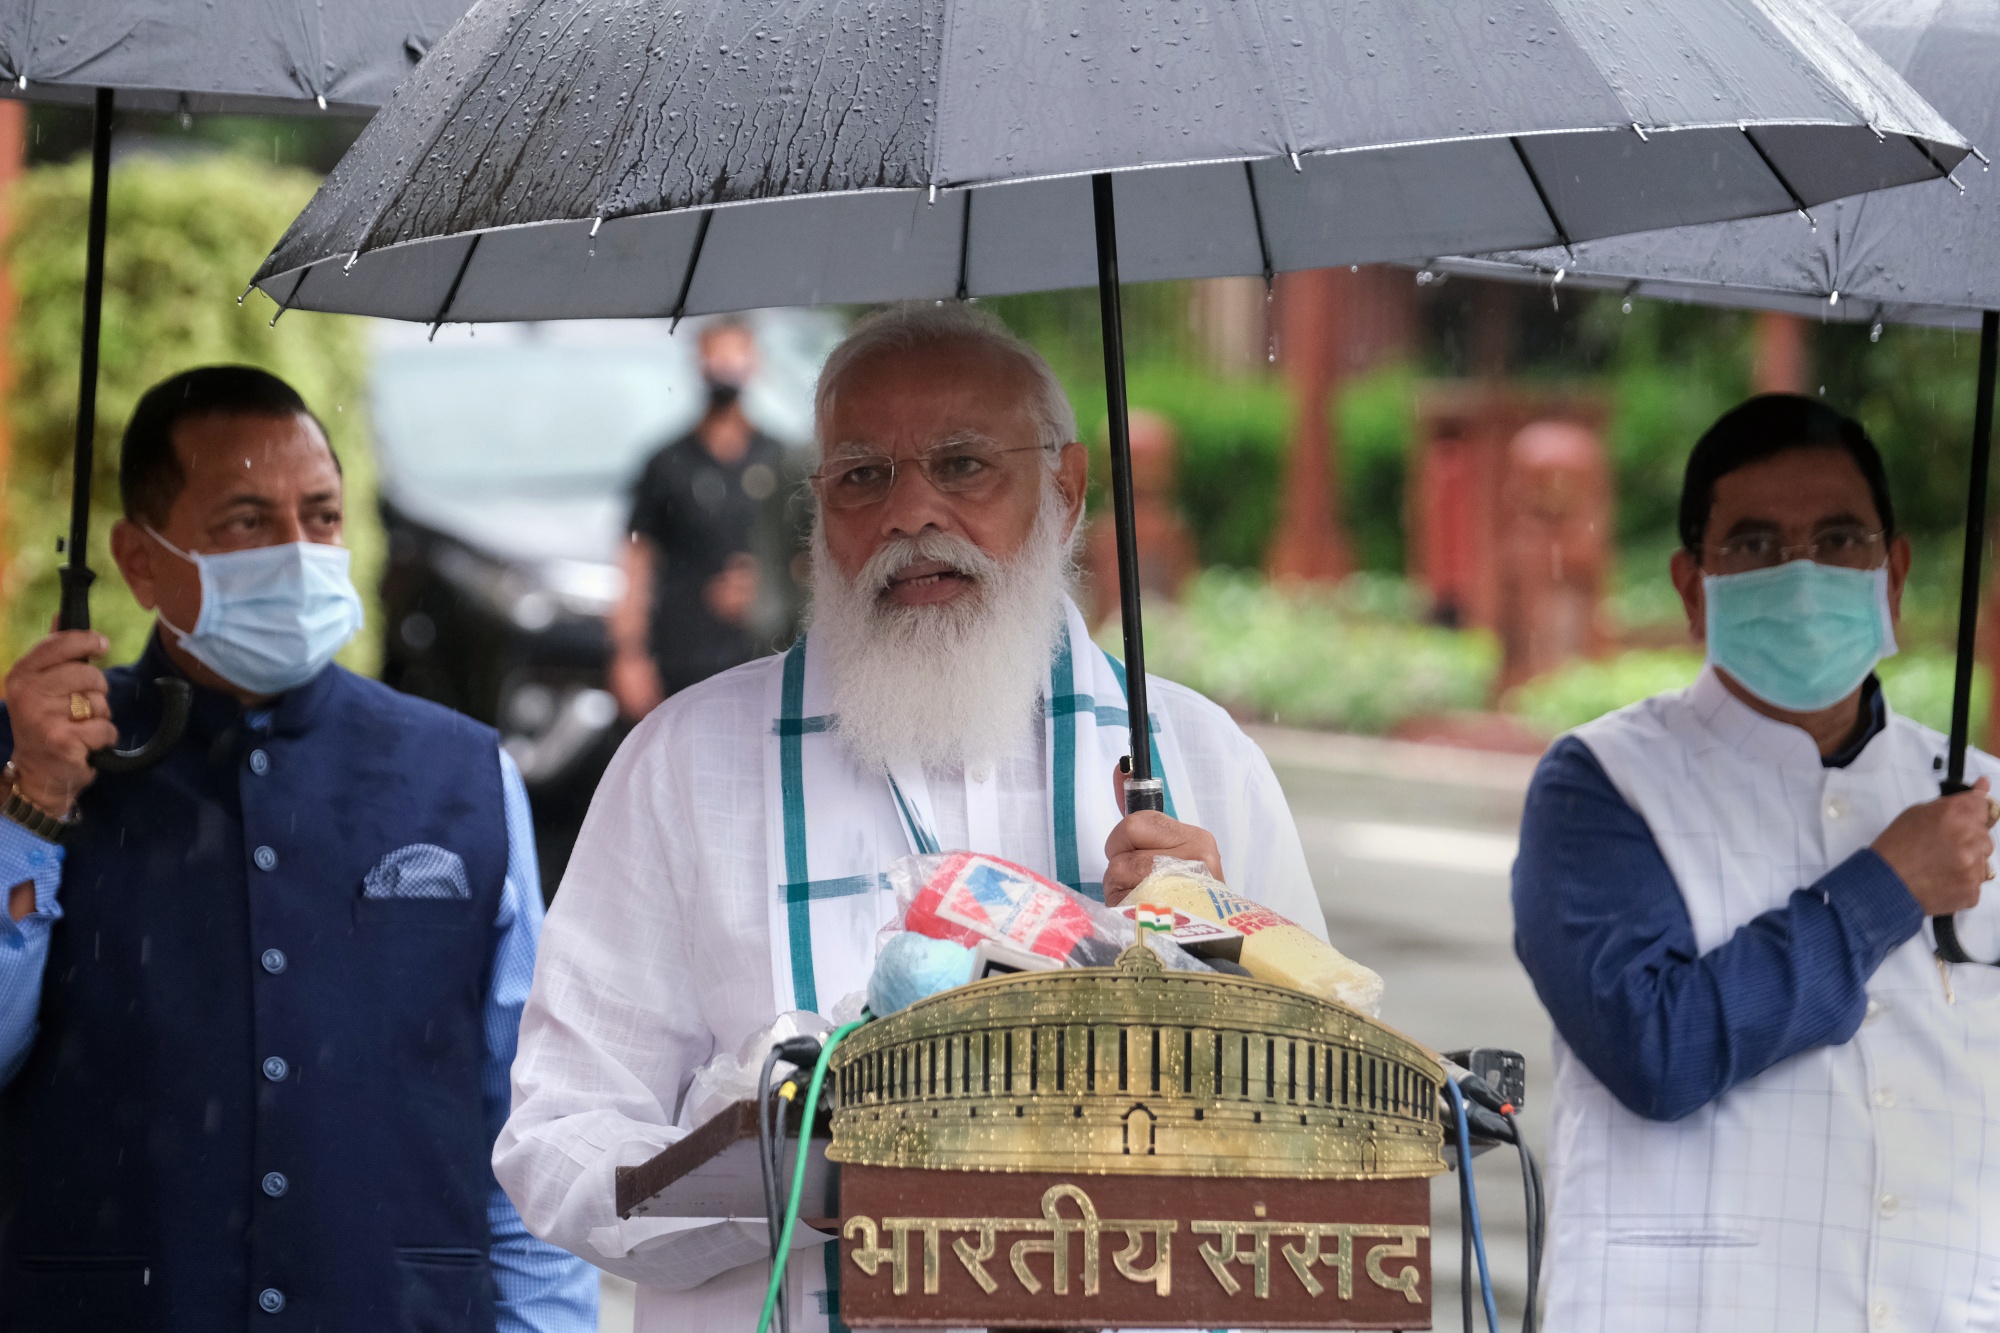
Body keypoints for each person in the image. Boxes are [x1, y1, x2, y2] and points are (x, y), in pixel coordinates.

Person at [496, 303, 1328, 1332]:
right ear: (816, 508)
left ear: (1064, 488)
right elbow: (559, 1148)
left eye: (963, 464)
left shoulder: (1195, 762)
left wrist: (1221, 981)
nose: (909, 513)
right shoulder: (683, 762)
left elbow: (1321, 1160)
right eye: (861, 475)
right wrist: (799, 1152)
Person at [0, 367, 597, 1332]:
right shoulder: (35, 756)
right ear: (140, 562)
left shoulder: (459, 773)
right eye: (245, 520)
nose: (296, 550)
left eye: (320, 516)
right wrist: (31, 811)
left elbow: (531, 1123)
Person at [1512, 394, 2000, 1331]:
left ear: (1891, 572)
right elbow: (1657, 1048)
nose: (1802, 572)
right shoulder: (1604, 787)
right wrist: (1889, 886)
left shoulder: (1976, 794)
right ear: (1694, 587)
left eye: (1839, 537)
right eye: (1756, 546)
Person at [609, 319, 804, 719]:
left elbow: (810, 554)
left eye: (735, 356)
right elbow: (635, 559)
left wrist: (767, 584)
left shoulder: (782, 459)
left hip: (767, 649)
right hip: (684, 650)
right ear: (697, 364)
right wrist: (629, 653)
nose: (725, 369)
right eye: (715, 356)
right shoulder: (666, 463)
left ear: (755, 363)